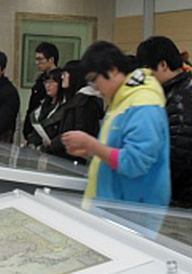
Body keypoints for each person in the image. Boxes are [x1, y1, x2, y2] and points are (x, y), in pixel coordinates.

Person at [61, 41, 170, 206]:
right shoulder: (120, 101)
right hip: (111, 205)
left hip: (132, 211)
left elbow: (134, 163)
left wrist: (92, 146)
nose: (94, 88)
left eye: (94, 80)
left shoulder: (144, 104)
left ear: (112, 70)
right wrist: (91, 151)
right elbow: (115, 153)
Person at [136, 36, 192, 209]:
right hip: (174, 190)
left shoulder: (182, 98)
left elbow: (177, 154)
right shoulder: (172, 92)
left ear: (163, 65)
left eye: (148, 70)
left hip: (180, 194)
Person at [43, 60, 104, 163]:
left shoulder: (84, 102)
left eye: (66, 74)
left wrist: (55, 143)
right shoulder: (75, 99)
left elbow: (80, 132)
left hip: (75, 159)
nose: (63, 78)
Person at [23, 42, 59, 142]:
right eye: (36, 59)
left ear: (51, 60)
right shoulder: (40, 79)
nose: (37, 63)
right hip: (33, 125)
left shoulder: (59, 81)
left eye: (40, 59)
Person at [26, 68, 66, 148]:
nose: (48, 85)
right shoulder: (43, 106)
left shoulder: (65, 107)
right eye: (46, 82)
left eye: (52, 82)